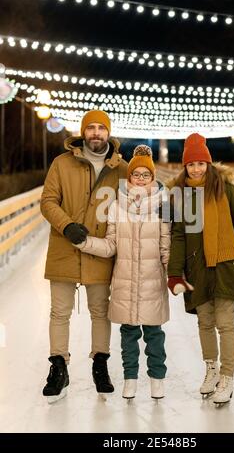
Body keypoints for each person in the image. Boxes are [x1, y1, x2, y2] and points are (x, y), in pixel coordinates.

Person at [40, 110, 128, 402]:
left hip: (100, 250)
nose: (95, 133)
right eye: (90, 128)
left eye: (101, 128)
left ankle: (100, 365)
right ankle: (58, 366)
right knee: (59, 312)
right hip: (64, 247)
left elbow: (143, 194)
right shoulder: (62, 163)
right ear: (83, 131)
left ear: (108, 133)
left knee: (100, 311)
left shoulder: (121, 169)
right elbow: (48, 201)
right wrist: (66, 226)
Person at [76, 145, 170, 400]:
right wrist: (85, 242)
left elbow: (166, 246)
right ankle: (130, 378)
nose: (140, 178)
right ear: (129, 178)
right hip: (125, 281)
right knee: (128, 335)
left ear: (152, 178)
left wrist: (175, 273)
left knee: (154, 335)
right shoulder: (117, 207)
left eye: (145, 175)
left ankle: (157, 379)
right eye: (136, 174)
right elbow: (111, 244)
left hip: (152, 282)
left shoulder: (164, 206)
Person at [167, 133, 234, 405]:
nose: (196, 169)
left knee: (225, 323)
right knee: (204, 321)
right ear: (185, 166)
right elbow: (178, 234)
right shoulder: (180, 195)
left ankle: (227, 378)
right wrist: (174, 271)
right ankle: (211, 370)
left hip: (227, 264)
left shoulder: (225, 188)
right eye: (190, 164)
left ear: (208, 163)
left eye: (200, 163)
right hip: (197, 268)